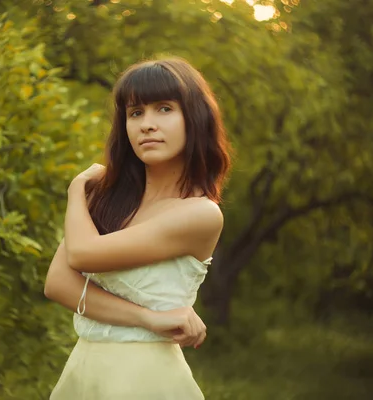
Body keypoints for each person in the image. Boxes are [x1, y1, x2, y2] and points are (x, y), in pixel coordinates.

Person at [44, 56, 232, 399]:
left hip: (145, 379)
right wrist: (147, 318)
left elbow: (83, 255)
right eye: (135, 113)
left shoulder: (200, 214)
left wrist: (76, 189)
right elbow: (57, 283)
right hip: (84, 372)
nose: (147, 124)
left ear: (195, 118)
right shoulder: (109, 200)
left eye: (164, 109)